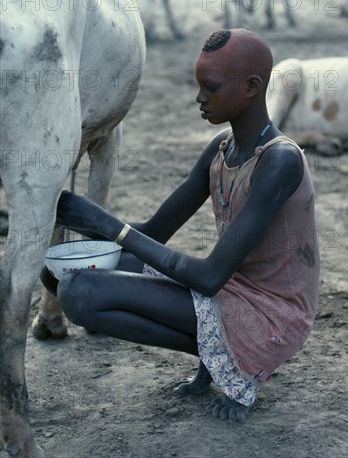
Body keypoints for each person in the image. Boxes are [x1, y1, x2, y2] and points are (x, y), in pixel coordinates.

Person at [43, 28, 320, 422]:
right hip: (230, 289)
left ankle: (233, 361)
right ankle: (215, 355)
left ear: (252, 87)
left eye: (211, 87)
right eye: (198, 86)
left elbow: (208, 277)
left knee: (79, 291)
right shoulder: (223, 148)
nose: (199, 98)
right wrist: (72, 217)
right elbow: (155, 231)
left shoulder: (279, 161)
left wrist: (106, 224)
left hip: (269, 315)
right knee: (56, 270)